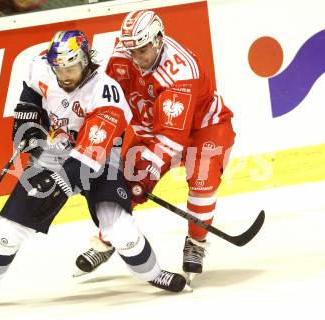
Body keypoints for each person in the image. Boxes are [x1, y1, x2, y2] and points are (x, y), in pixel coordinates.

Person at [0, 30, 187, 305]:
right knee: (9, 230)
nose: (64, 74)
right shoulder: (41, 66)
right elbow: (30, 96)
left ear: (85, 61)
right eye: (59, 68)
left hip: (100, 159)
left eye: (71, 67)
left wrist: (54, 182)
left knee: (120, 231)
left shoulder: (106, 94)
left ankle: (154, 273)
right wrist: (27, 126)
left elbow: (87, 161)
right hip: (54, 152)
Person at [74, 10, 235, 285]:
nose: (137, 58)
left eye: (143, 49)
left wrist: (150, 170)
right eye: (132, 50)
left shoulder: (180, 71)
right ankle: (109, 238)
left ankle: (196, 242)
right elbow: (108, 100)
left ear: (158, 39)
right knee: (123, 184)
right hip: (151, 128)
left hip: (204, 127)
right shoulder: (123, 55)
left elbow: (172, 138)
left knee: (202, 178)